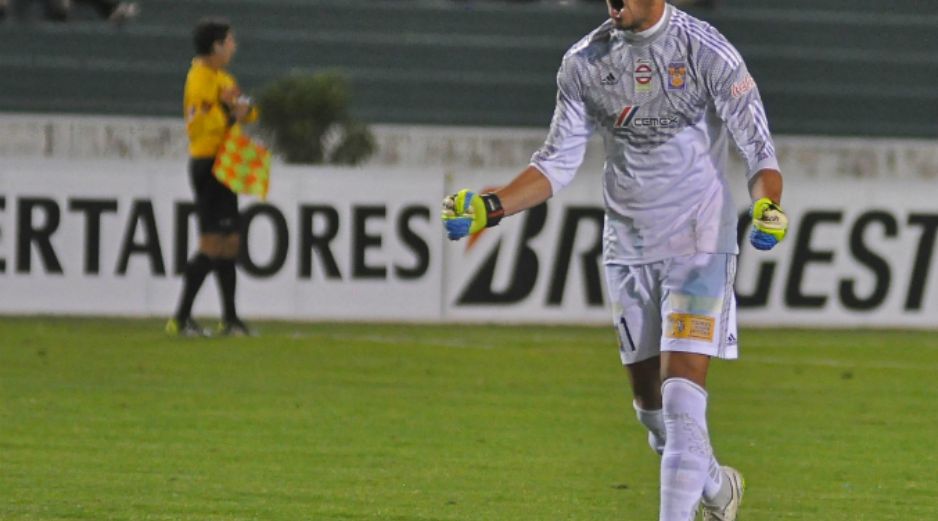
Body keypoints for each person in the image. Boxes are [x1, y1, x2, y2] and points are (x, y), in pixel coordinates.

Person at [441, 0, 788, 519]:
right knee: (653, 414)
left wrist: (767, 205)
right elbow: (554, 164)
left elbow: (759, 149)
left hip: (700, 244)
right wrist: (492, 206)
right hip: (628, 250)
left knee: (682, 396)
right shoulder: (585, 61)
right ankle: (716, 487)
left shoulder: (706, 50)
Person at [166, 18, 256, 337]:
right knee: (212, 242)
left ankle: (229, 319)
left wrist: (241, 111)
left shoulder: (221, 78)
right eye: (230, 41)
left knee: (230, 242)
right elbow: (206, 122)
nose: (234, 46)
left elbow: (247, 110)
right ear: (216, 46)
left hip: (225, 161)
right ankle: (180, 318)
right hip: (209, 162)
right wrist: (233, 113)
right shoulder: (200, 79)